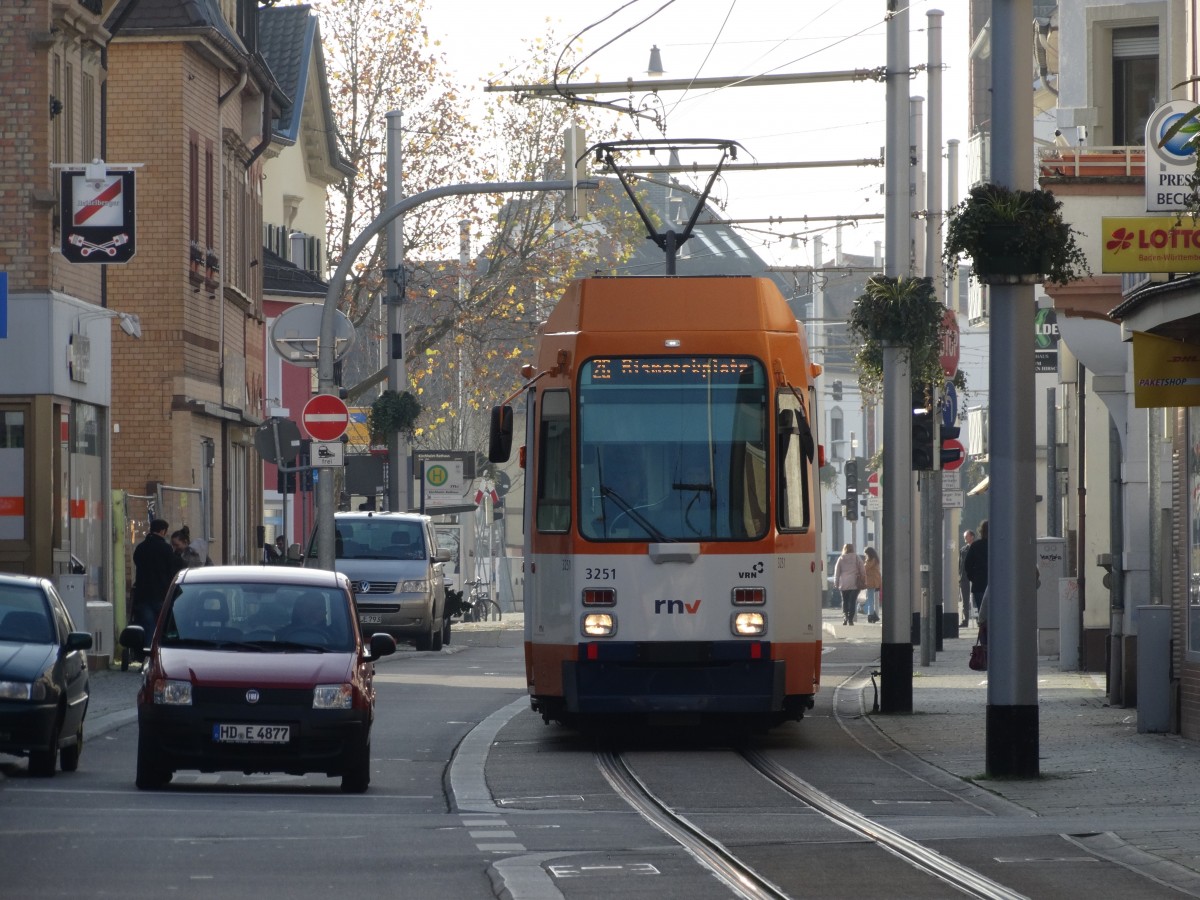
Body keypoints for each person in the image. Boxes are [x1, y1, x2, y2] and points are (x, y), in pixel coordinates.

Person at [131, 519, 184, 639]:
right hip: (161, 594)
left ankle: (148, 653)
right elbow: (171, 570)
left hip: (143, 594)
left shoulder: (140, 548)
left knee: (148, 627)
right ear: (162, 531)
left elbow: (137, 563)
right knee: (163, 627)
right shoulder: (166, 549)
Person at [833, 542, 866, 626]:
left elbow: (837, 572)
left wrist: (836, 583)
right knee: (852, 601)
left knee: (845, 600)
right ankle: (850, 619)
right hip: (855, 583)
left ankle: (845, 617)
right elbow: (862, 570)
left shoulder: (841, 558)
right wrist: (862, 578)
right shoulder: (856, 557)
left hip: (843, 583)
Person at [961, 519, 989, 620]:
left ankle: (984, 633)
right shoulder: (998, 545)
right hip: (996, 585)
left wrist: (973, 578)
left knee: (983, 614)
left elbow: (967, 565)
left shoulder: (975, 546)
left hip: (979, 585)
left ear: (981, 531)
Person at [958, 529, 976, 626]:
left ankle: (978, 619)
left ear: (972, 536)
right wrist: (960, 576)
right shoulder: (963, 550)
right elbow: (960, 564)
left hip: (975, 578)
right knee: (965, 599)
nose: (964, 537)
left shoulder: (977, 548)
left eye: (966, 535)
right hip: (964, 578)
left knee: (975, 599)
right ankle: (965, 620)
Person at [862, 546, 882, 623]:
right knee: (870, 599)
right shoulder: (875, 560)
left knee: (869, 599)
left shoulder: (871, 560)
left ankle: (871, 615)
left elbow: (865, 568)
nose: (865, 555)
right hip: (873, 582)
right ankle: (873, 616)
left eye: (866, 554)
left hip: (871, 582)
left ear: (868, 554)